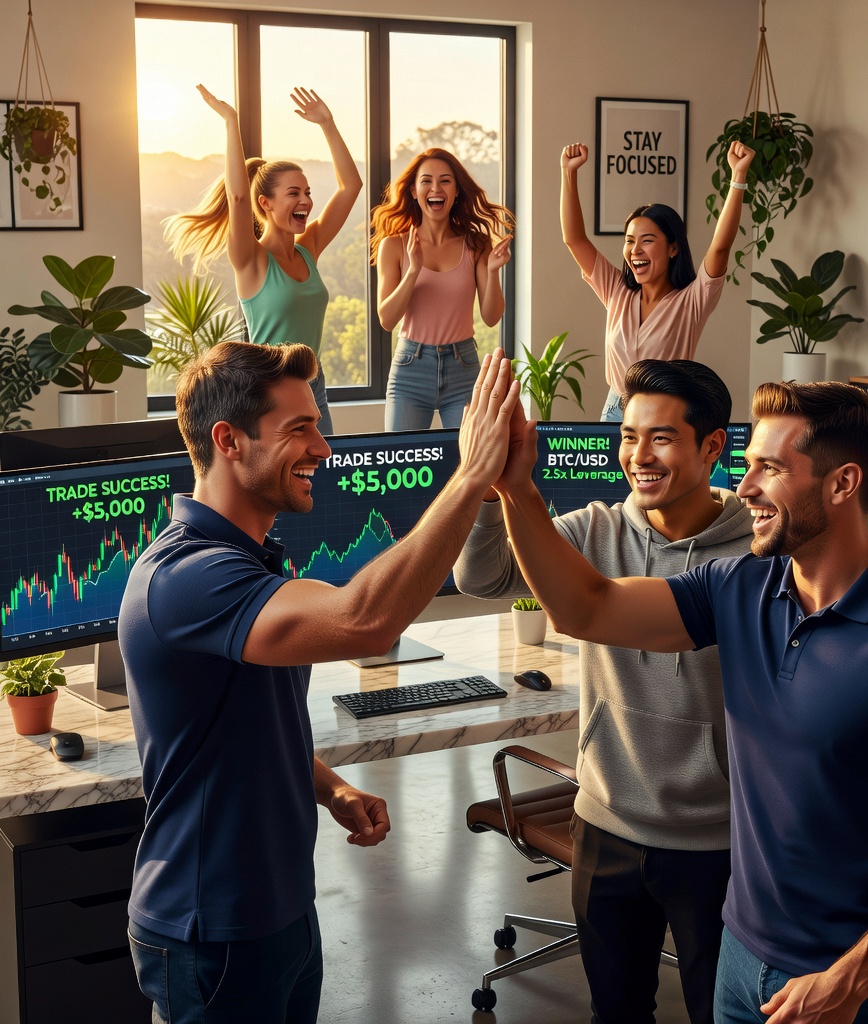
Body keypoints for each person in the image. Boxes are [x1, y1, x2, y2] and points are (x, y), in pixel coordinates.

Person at [487, 378, 868, 1024]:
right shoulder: (739, 588)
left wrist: (849, 980)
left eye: (770, 468)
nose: (747, 487)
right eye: (748, 464)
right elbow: (585, 607)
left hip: (859, 989)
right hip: (740, 957)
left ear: (843, 484)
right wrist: (514, 488)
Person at [119, 341, 519, 1024]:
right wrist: (470, 474)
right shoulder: (189, 579)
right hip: (211, 927)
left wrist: (330, 788)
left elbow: (240, 728)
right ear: (229, 441)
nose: (325, 448)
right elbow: (366, 621)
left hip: (279, 908)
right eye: (300, 428)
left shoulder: (248, 562)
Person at [454, 359, 753, 1024]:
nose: (636, 456)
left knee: (723, 1014)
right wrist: (485, 488)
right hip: (608, 825)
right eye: (626, 435)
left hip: (719, 840)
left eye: (661, 438)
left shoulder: (757, 552)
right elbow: (484, 577)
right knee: (615, 1013)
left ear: (713, 446)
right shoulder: (595, 531)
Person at [165, 84, 363, 432]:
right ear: (265, 204)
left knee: (323, 481)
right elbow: (238, 197)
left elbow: (351, 186)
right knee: (280, 485)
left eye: (307, 192)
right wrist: (231, 121)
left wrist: (327, 124)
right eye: (293, 193)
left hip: (312, 385)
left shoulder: (309, 247)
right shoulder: (251, 260)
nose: (305, 200)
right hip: (269, 391)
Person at [559, 139, 754, 422]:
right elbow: (574, 239)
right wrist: (569, 172)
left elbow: (721, 247)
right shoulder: (617, 291)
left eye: (647, 241)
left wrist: (738, 177)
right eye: (629, 241)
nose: (635, 250)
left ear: (674, 248)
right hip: (615, 411)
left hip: (666, 413)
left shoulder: (692, 300)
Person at [370, 147, 514, 431]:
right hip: (411, 368)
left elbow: (491, 316)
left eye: (445, 180)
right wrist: (413, 270)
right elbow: (387, 320)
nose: (436, 188)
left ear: (457, 190)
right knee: (403, 466)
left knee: (468, 465)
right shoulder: (394, 246)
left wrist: (493, 271)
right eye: (426, 181)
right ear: (413, 191)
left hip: (463, 367)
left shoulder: (476, 243)